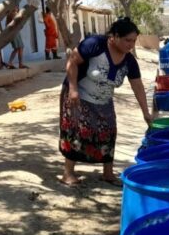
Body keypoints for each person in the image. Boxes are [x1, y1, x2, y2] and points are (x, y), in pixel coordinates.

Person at [59, 17, 153, 187]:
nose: (130, 45)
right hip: (79, 94)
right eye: (127, 40)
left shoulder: (129, 61)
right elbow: (72, 62)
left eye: (133, 41)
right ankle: (68, 173)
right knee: (76, 132)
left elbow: (138, 87)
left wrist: (146, 113)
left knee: (108, 132)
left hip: (103, 100)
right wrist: (73, 89)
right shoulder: (94, 44)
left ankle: (107, 174)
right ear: (114, 36)